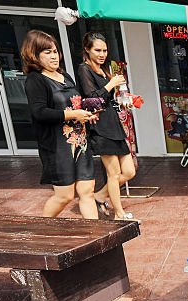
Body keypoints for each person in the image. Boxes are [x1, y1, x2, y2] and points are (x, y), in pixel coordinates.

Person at [22, 30, 98, 219]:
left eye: (55, 51)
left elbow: (76, 103)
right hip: (57, 147)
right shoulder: (36, 80)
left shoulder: (65, 76)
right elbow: (39, 112)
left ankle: (97, 239)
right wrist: (73, 114)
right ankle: (42, 230)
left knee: (87, 191)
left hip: (80, 142)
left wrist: (86, 115)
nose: (54, 56)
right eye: (47, 52)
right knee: (64, 196)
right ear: (34, 54)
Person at [77, 32, 137, 220]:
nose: (102, 54)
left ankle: (101, 196)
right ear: (87, 50)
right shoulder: (84, 69)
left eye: (104, 50)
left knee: (129, 171)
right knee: (113, 173)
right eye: (97, 50)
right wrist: (111, 84)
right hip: (100, 126)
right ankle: (118, 213)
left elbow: (107, 100)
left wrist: (125, 101)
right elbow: (92, 99)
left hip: (113, 123)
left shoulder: (104, 71)